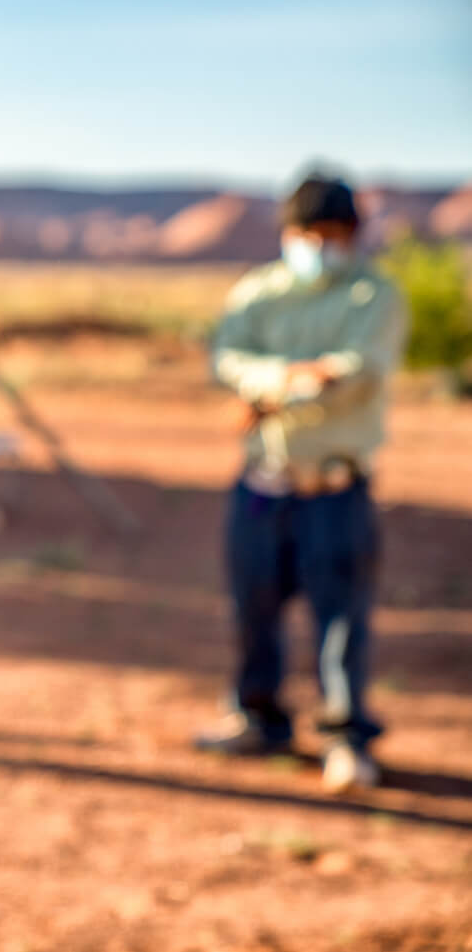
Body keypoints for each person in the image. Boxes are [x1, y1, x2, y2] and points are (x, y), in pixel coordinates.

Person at [195, 172, 405, 794]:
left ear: (351, 234)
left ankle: (345, 737)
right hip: (263, 485)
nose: (318, 244)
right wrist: (293, 379)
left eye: (330, 233)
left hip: (335, 489)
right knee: (251, 604)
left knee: (340, 616)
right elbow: (226, 359)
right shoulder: (258, 292)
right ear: (289, 234)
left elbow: (356, 373)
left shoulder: (375, 296)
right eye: (307, 233)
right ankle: (258, 717)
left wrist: (265, 388)